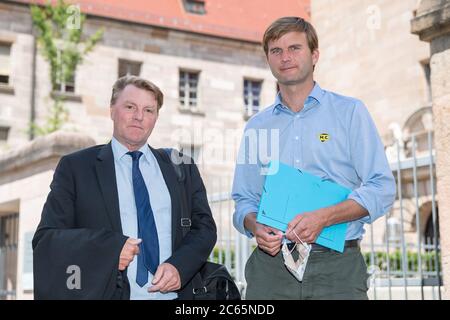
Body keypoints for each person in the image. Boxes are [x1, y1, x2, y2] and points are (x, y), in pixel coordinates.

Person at [232, 17, 396, 300]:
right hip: (271, 268)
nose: (285, 57)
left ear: (314, 55)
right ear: (268, 59)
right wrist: (254, 225)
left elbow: (382, 187)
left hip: (337, 267)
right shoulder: (256, 127)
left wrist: (325, 217)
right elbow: (244, 199)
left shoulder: (350, 113)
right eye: (276, 51)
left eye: (295, 48)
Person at [32, 75, 217, 300]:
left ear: (156, 118)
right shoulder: (76, 168)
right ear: (112, 110)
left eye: (149, 110)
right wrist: (108, 251)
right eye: (130, 107)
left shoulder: (182, 166)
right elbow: (46, 240)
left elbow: (204, 228)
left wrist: (180, 266)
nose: (139, 117)